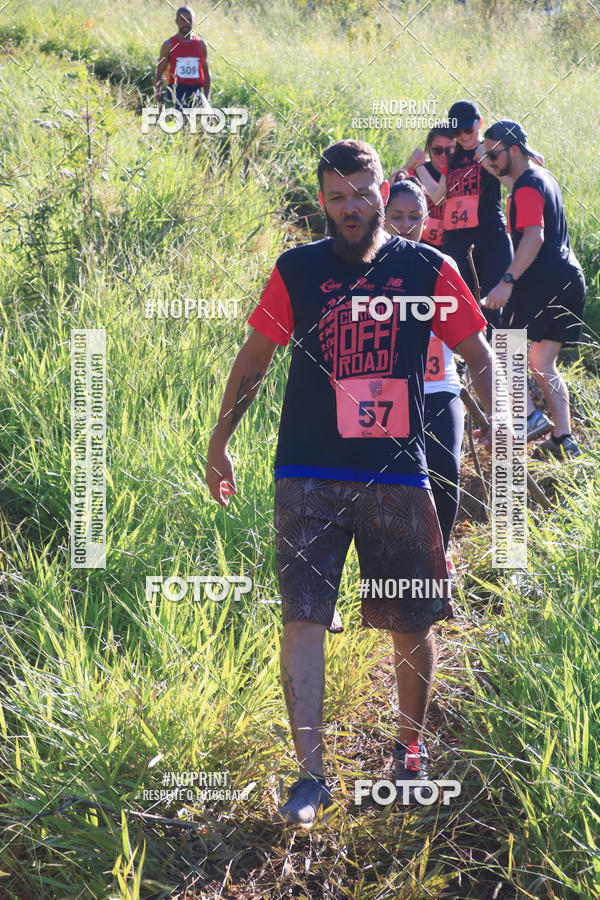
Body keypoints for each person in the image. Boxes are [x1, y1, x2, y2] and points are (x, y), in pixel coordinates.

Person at [206, 140, 498, 827]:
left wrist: (499, 428)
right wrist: (219, 443)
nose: (351, 209)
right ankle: (310, 775)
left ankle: (408, 750)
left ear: (383, 189)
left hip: (396, 470)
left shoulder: (429, 268)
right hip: (305, 467)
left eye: (362, 193)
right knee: (303, 613)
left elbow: (480, 356)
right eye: (336, 197)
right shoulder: (297, 271)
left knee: (411, 614)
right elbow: (254, 359)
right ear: (322, 201)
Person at [482, 120, 585, 458]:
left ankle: (528, 417)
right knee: (542, 361)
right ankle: (563, 438)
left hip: (541, 277)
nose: (489, 161)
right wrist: (502, 159)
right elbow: (507, 173)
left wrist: (506, 282)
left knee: (502, 345)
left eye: (493, 154)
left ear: (514, 150)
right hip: (570, 278)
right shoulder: (543, 178)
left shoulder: (527, 185)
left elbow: (533, 236)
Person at [385, 177, 464, 558]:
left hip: (438, 387)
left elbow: (472, 343)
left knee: (445, 471)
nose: (404, 225)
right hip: (385, 395)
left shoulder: (438, 266)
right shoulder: (367, 269)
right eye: (396, 216)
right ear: (382, 216)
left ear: (426, 219)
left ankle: (440, 557)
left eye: (414, 217)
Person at [412, 101, 514, 335]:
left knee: (499, 307)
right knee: (466, 310)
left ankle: (510, 369)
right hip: (458, 243)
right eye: (457, 132)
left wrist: (488, 163)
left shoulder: (492, 150)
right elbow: (438, 196)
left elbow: (514, 185)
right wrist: (418, 167)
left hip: (491, 239)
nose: (463, 136)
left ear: (480, 124)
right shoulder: (453, 158)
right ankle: (476, 369)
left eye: (468, 130)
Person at [391, 126, 454, 249]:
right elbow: (389, 188)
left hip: (454, 244)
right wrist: (410, 163)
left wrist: (418, 166)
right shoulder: (421, 168)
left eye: (449, 151)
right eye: (437, 150)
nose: (443, 155)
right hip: (422, 243)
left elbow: (439, 199)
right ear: (428, 149)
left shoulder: (459, 172)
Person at [154, 6, 211, 112]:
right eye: (182, 20)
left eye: (189, 20)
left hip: (196, 90)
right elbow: (158, 74)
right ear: (176, 21)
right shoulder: (169, 45)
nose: (186, 23)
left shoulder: (201, 44)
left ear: (194, 21)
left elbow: (207, 75)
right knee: (183, 117)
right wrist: (158, 101)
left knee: (206, 116)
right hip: (176, 89)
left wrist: (207, 100)